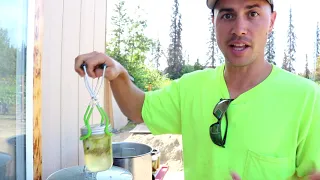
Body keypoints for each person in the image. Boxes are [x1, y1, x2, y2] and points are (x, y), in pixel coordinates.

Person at [75, 0, 320, 179]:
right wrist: (119, 74)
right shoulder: (191, 87)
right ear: (213, 21)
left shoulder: (306, 98)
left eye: (253, 13)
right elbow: (139, 110)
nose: (239, 29)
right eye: (227, 15)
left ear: (272, 21)